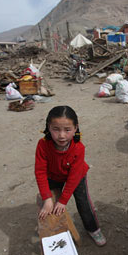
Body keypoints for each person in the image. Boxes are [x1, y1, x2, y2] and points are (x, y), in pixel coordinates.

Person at [35, 105, 106, 246]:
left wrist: (63, 200)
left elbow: (74, 178)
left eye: (67, 130)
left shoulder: (79, 148)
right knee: (49, 205)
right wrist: (47, 198)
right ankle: (55, 234)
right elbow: (40, 172)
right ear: (48, 127)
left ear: (75, 128)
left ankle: (93, 229)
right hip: (53, 175)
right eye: (56, 129)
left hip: (76, 176)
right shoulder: (42, 145)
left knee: (83, 202)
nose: (61, 135)